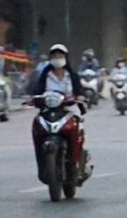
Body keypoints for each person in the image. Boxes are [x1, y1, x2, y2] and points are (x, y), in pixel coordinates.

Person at [32, 44, 93, 180]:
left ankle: (76, 161)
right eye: (54, 56)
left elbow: (80, 92)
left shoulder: (71, 76)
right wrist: (34, 98)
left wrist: (80, 97)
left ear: (66, 58)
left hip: (69, 109)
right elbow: (37, 91)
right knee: (37, 126)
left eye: (60, 56)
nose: (57, 59)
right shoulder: (45, 75)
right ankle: (43, 165)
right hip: (48, 111)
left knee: (75, 130)